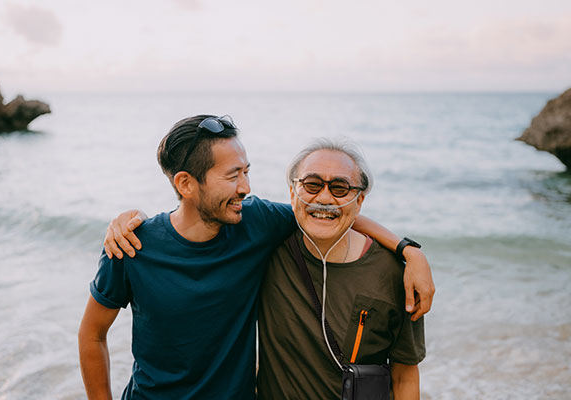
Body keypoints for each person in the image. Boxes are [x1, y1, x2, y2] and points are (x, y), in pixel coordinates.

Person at [81, 115, 434, 399]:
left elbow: (325, 209)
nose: (246, 187)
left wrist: (408, 250)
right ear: (186, 184)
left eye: (246, 171)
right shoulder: (131, 245)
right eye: (233, 175)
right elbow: (92, 334)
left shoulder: (255, 222)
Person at [257, 139, 425, 399]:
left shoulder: (394, 274)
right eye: (312, 184)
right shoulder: (266, 249)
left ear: (359, 201)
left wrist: (411, 253)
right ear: (292, 192)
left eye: (340, 188)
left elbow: (404, 377)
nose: (324, 198)